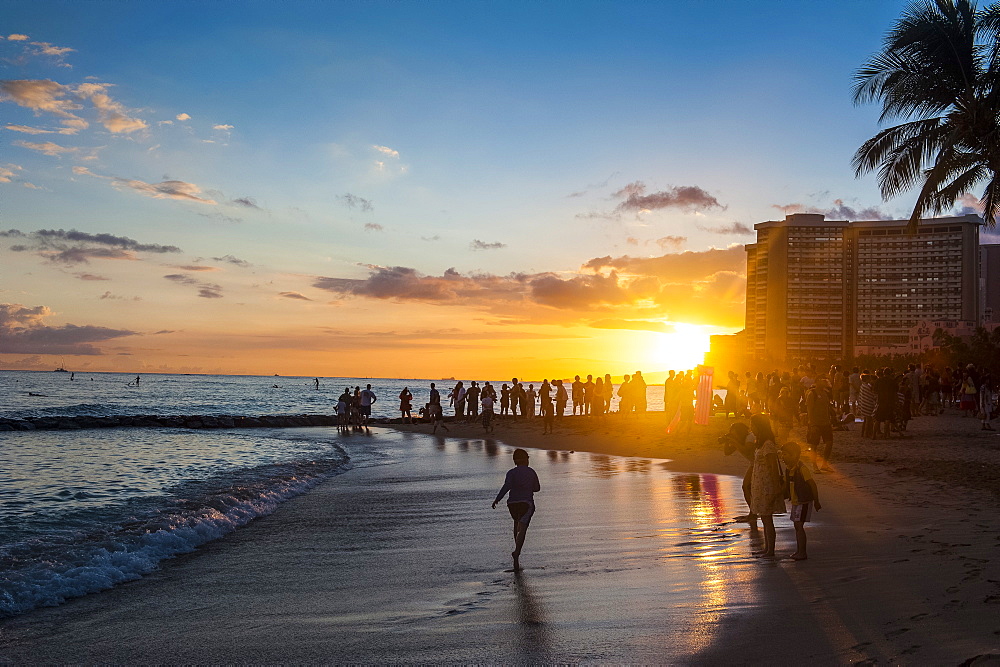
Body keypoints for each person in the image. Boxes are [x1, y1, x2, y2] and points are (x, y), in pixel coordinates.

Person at [492, 448, 540, 571]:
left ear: (515, 461)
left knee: (516, 524)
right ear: (526, 460)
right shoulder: (531, 472)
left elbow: (506, 486)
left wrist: (497, 499)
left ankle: (516, 559)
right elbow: (537, 488)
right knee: (522, 529)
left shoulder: (511, 473)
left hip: (512, 504)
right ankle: (517, 552)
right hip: (526, 503)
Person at [749, 414, 785, 558]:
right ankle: (767, 548)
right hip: (760, 485)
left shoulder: (768, 444)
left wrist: (776, 487)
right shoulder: (761, 443)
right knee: (764, 518)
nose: (751, 428)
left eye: (753, 425)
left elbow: (773, 467)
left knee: (767, 519)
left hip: (767, 486)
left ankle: (770, 550)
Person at [781, 441, 822, 560]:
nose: (783, 457)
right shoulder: (789, 469)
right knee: (797, 526)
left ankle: (802, 552)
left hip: (803, 501)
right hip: (795, 501)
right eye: (782, 454)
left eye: (786, 454)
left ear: (794, 455)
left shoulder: (802, 469)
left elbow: (812, 485)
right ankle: (799, 551)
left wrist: (816, 501)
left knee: (799, 526)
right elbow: (786, 486)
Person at [720, 421, 757, 526]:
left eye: (734, 432)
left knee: (746, 487)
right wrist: (727, 441)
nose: (733, 434)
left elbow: (747, 449)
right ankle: (752, 512)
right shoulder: (740, 439)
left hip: (759, 464)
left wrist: (733, 441)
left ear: (739, 432)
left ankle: (753, 513)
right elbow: (727, 452)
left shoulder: (750, 437)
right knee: (747, 487)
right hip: (754, 464)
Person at [805, 377, 835, 471]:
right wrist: (812, 424)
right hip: (815, 423)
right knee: (814, 445)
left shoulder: (825, 393)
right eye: (822, 381)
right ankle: (814, 466)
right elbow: (809, 410)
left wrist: (831, 419)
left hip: (826, 423)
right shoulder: (812, 394)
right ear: (817, 382)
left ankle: (824, 464)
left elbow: (827, 407)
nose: (824, 382)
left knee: (829, 443)